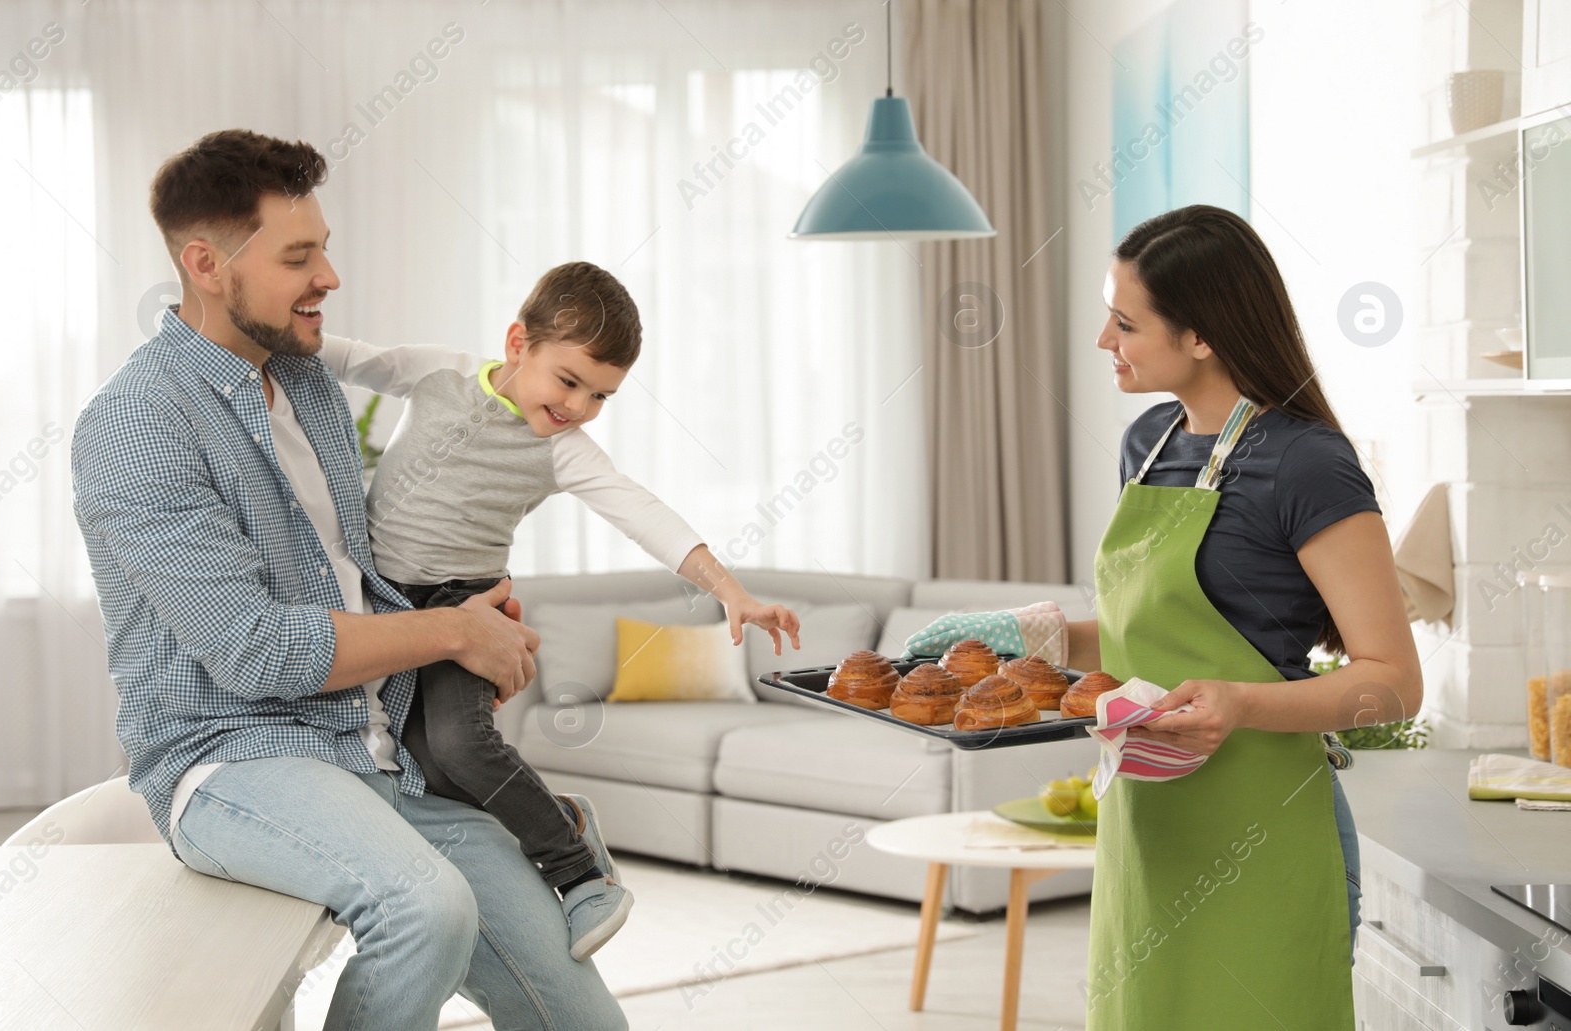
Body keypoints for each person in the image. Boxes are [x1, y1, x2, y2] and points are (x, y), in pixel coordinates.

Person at [71, 128, 627, 1030]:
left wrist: (462, 605)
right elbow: (255, 651)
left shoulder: (309, 385)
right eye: (300, 255)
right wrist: (451, 633)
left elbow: (353, 571)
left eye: (324, 246)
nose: (330, 275)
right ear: (208, 264)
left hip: (375, 753)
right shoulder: (138, 424)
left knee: (587, 1021)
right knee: (424, 906)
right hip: (230, 757)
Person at [917, 205, 1419, 1028]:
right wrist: (1032, 635)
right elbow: (1142, 634)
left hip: (1265, 833)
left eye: (1125, 322)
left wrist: (1242, 703)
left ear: (1202, 336)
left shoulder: (1309, 465)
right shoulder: (1148, 441)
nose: (1102, 340)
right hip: (1148, 827)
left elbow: (1394, 685)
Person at [316, 260, 802, 961]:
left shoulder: (562, 450)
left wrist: (730, 589)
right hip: (387, 601)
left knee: (458, 745)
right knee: (429, 766)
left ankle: (581, 873)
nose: (578, 405)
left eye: (600, 395)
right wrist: (259, 335)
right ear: (519, 343)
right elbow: (355, 359)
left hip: (469, 605)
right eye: (569, 380)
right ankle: (564, 817)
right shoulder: (439, 374)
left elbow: (641, 510)